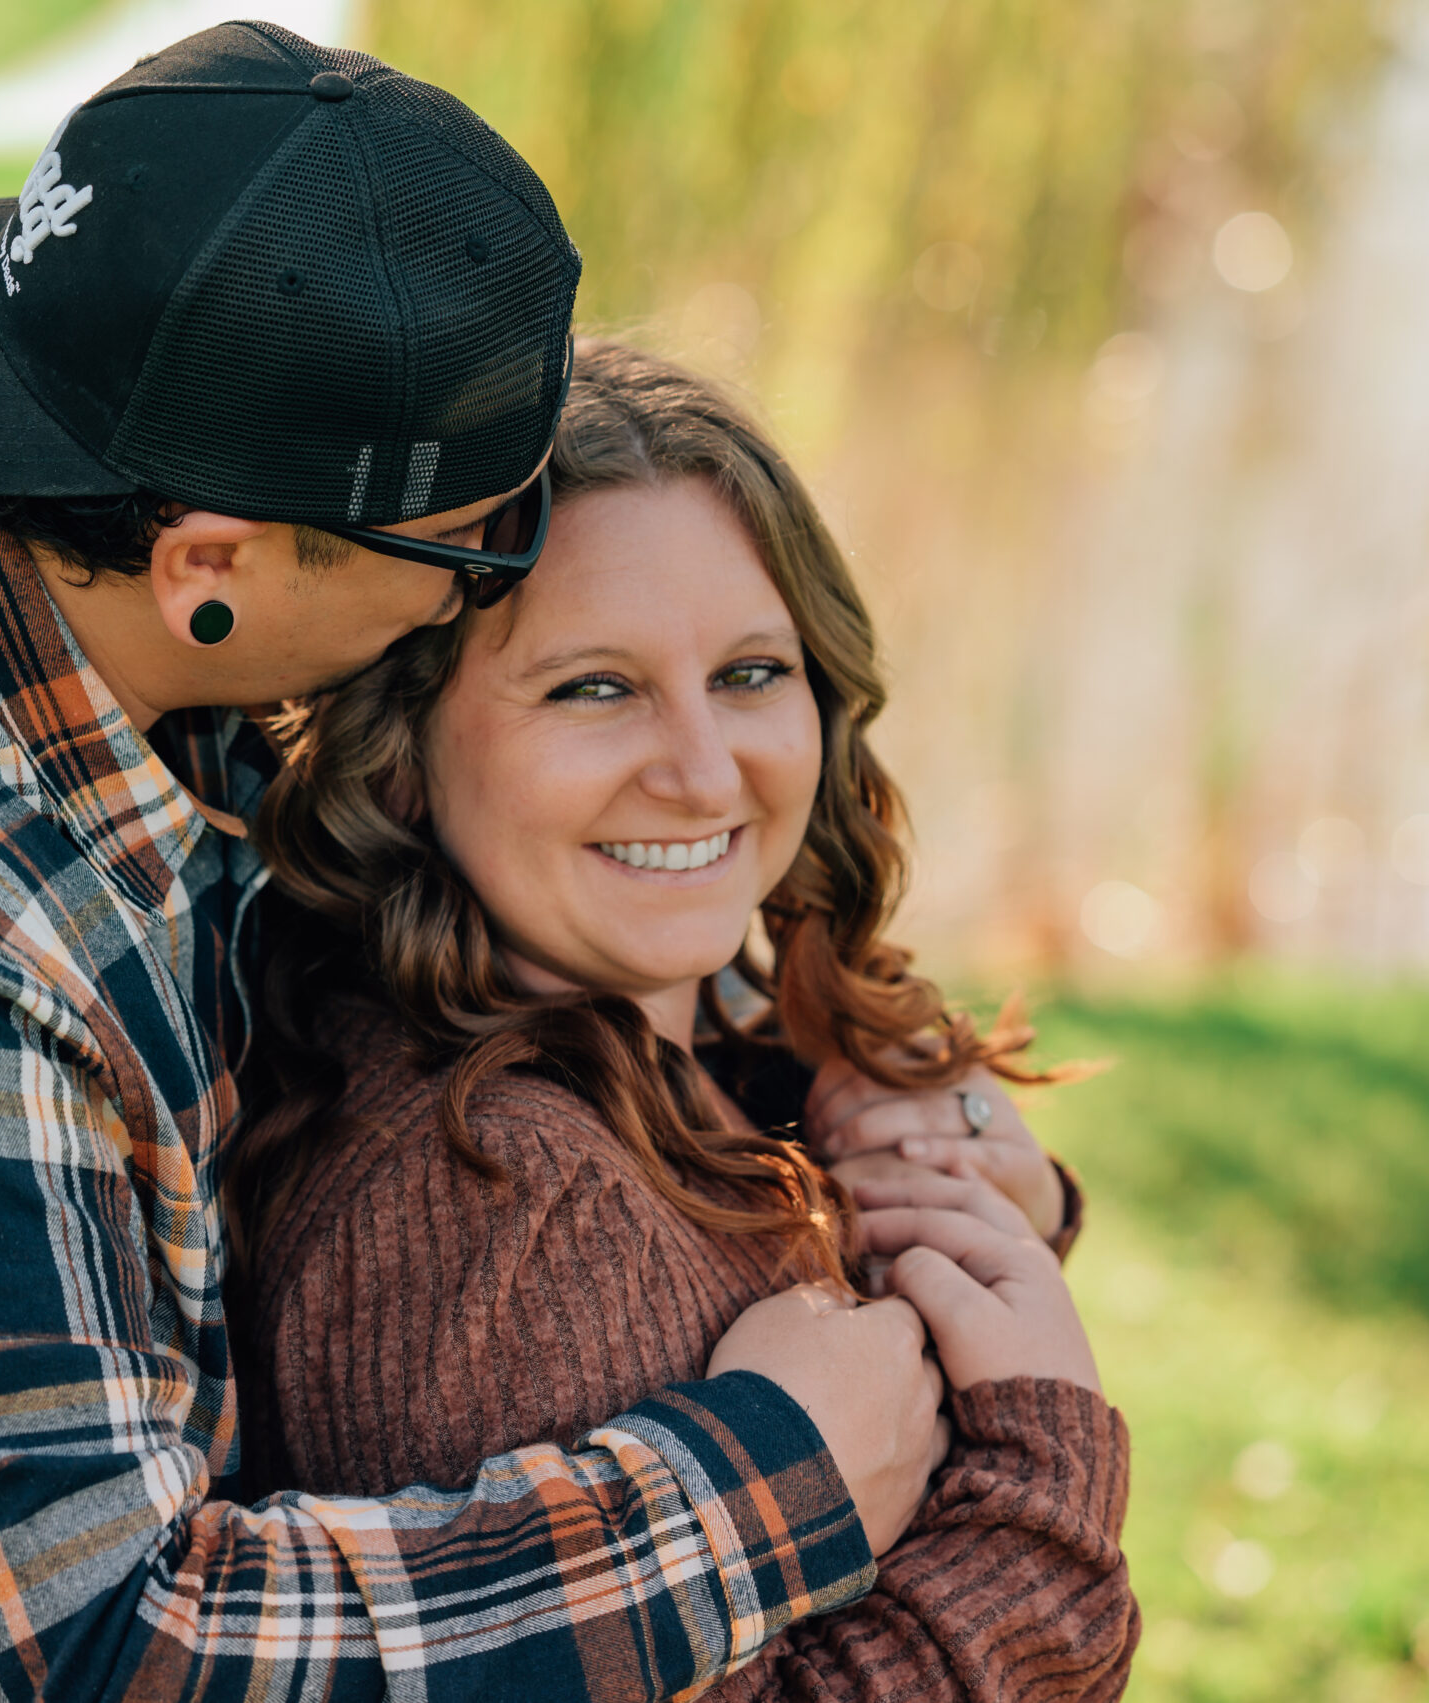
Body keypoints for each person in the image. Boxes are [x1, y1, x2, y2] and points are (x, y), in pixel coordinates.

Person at [0, 28, 948, 1701]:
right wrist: (758, 1484)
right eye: (482, 550)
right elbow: (114, 1654)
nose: (493, 588)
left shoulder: (32, 562)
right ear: (211, 563)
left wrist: (853, 1076)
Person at [232, 340, 1140, 1699]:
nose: (705, 770)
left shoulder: (655, 1040)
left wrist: (948, 1206)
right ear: (401, 752)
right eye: (592, 687)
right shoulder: (510, 1203)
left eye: (752, 673)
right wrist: (1040, 1474)